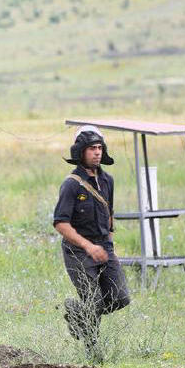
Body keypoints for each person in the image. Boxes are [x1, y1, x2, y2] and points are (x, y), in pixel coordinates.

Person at [53, 126, 130, 352]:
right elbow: (60, 223)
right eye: (91, 148)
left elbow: (110, 213)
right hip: (78, 250)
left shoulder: (108, 181)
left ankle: (78, 314)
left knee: (120, 297)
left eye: (99, 148)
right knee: (93, 300)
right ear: (80, 152)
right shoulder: (71, 184)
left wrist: (110, 244)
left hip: (104, 247)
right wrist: (88, 246)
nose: (97, 152)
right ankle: (93, 350)